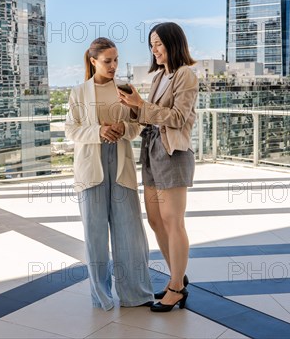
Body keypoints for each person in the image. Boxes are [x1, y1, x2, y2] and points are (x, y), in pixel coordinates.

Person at [65, 37, 154, 311]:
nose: (114, 65)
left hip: (121, 164)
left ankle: (135, 293)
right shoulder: (79, 92)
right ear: (93, 61)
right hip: (91, 166)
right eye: (107, 61)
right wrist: (99, 131)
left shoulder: (125, 89)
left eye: (116, 60)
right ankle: (101, 296)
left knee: (129, 232)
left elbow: (137, 126)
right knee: (95, 235)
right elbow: (71, 130)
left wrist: (121, 129)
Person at [117, 22, 198, 312]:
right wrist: (132, 108)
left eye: (159, 44)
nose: (155, 49)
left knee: (172, 220)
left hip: (173, 152)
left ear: (173, 44)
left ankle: (176, 287)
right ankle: (178, 275)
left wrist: (142, 105)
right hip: (152, 150)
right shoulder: (158, 77)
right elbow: (151, 117)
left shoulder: (185, 75)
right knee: (155, 220)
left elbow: (177, 117)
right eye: (152, 44)